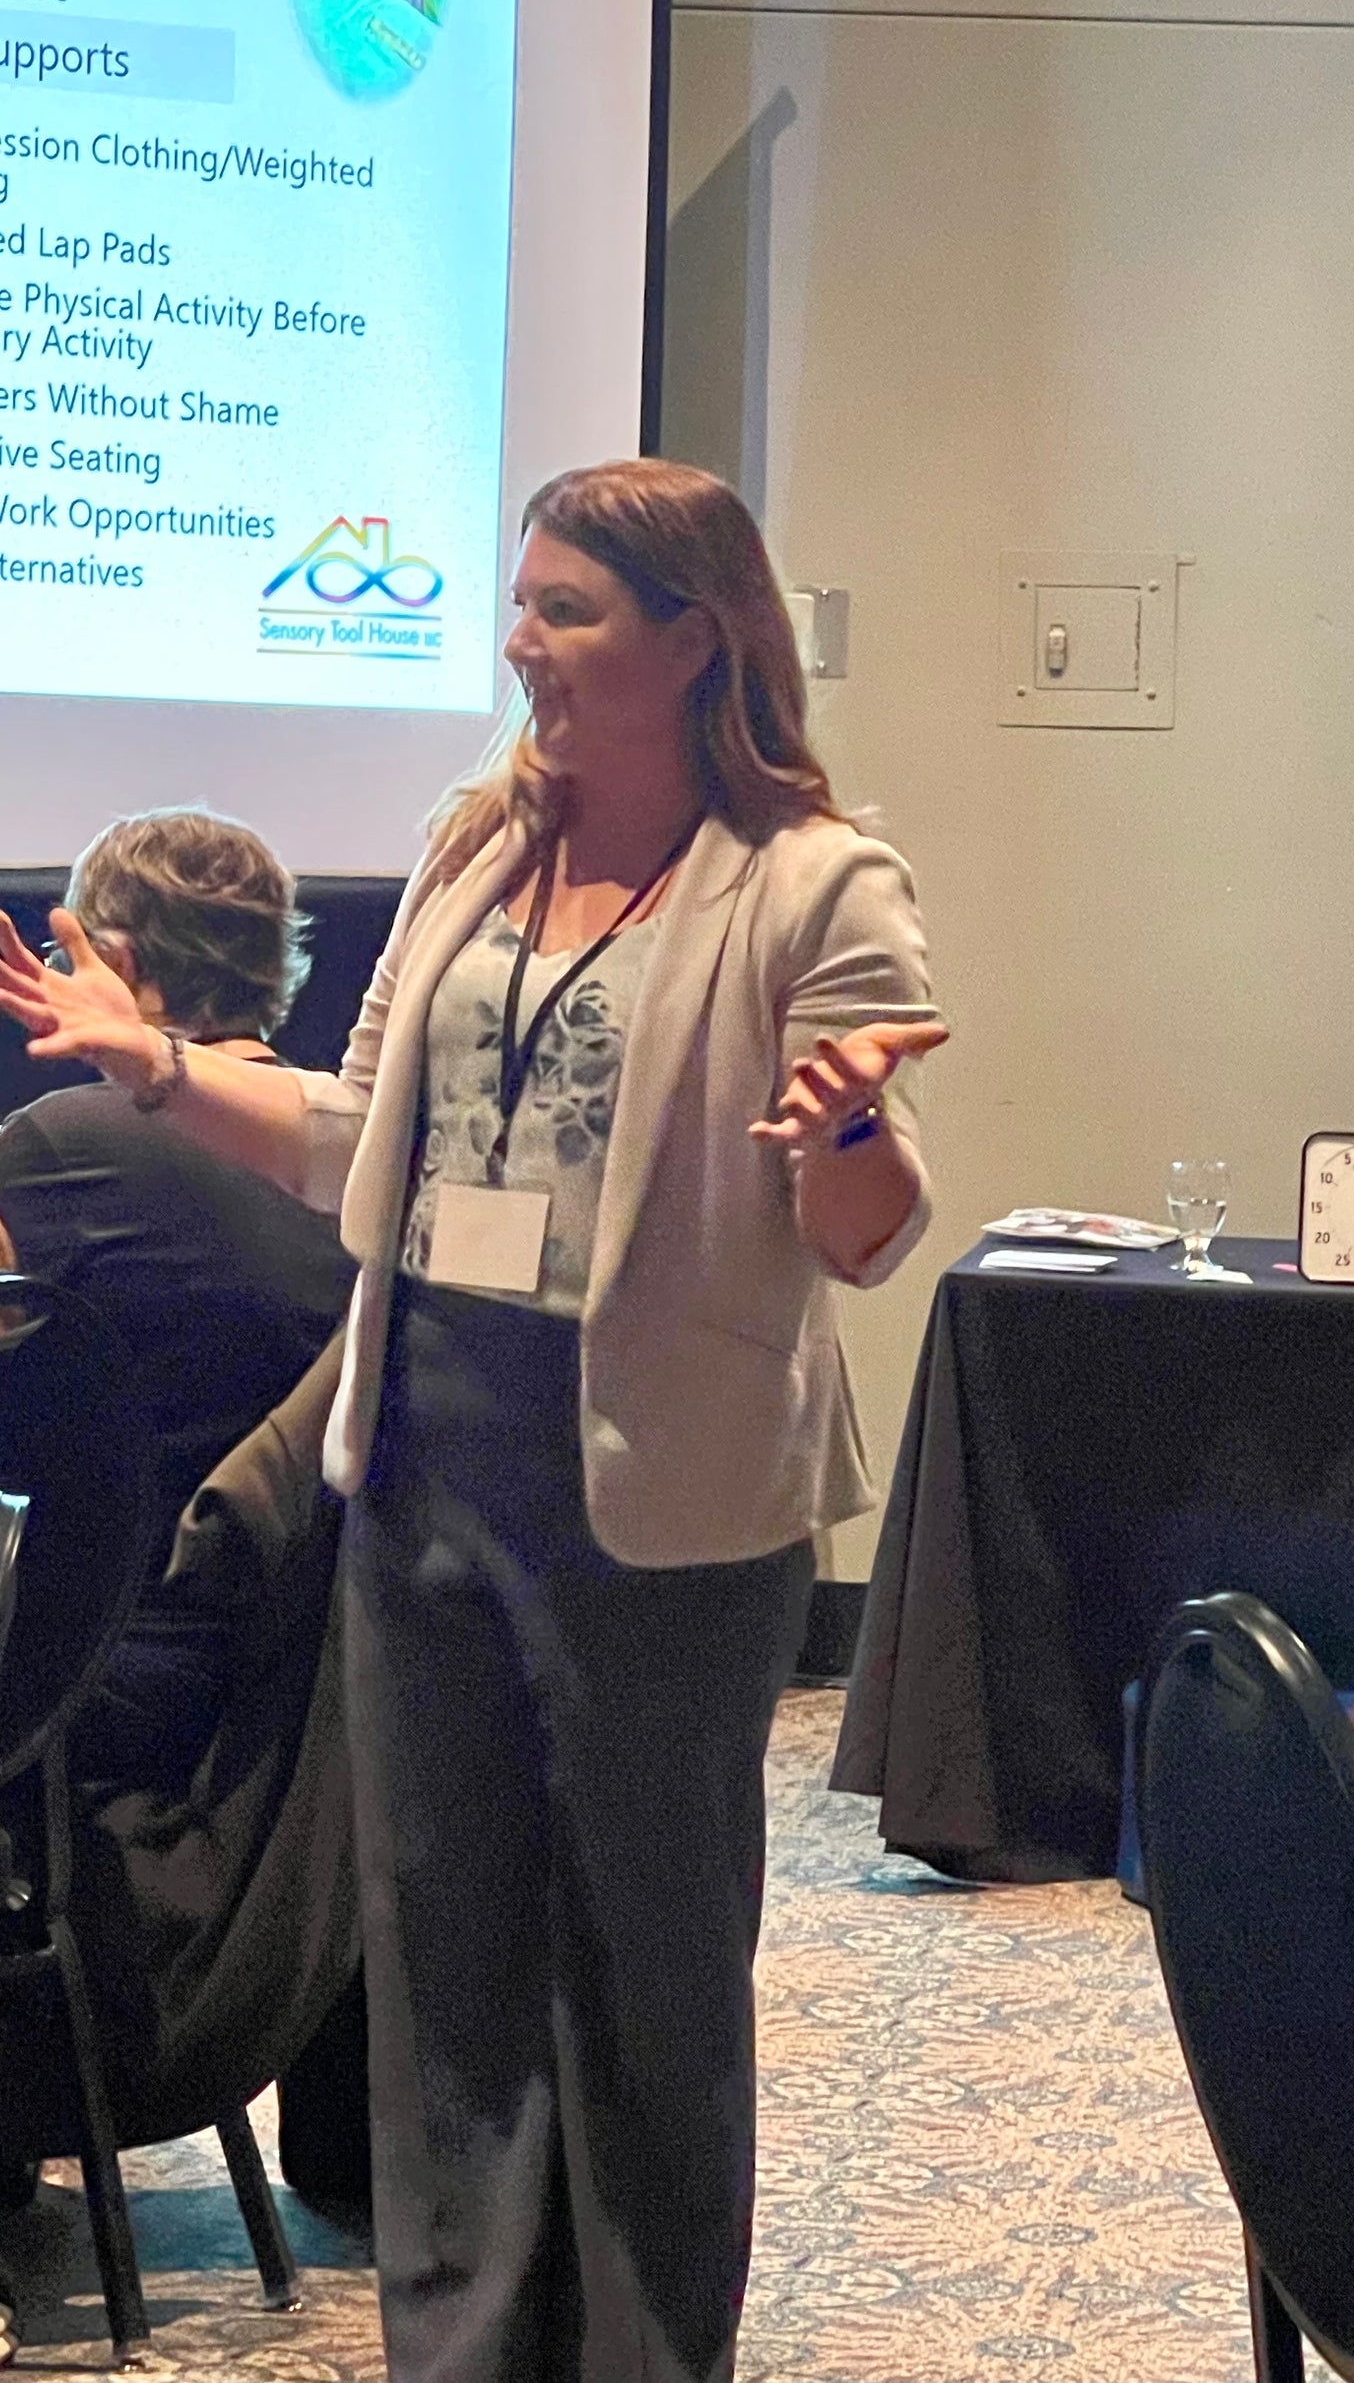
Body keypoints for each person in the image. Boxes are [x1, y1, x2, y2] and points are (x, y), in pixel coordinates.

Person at [0, 456, 946, 2383]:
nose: (523, 643)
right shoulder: (473, 849)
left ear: (697, 639)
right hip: (422, 1459)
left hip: (660, 1503)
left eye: (568, 610)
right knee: (448, 1966)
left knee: (648, 1980)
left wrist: (843, 1128)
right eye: (518, 602)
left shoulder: (812, 882)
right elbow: (363, 1146)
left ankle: (646, 2355)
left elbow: (872, 1234)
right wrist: (159, 1068)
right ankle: (460, 2351)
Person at [0, 809, 355, 1785]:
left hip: (106, 1670)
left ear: (114, 959)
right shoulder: (351, 1148)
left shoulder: (65, 1143)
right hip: (320, 1678)